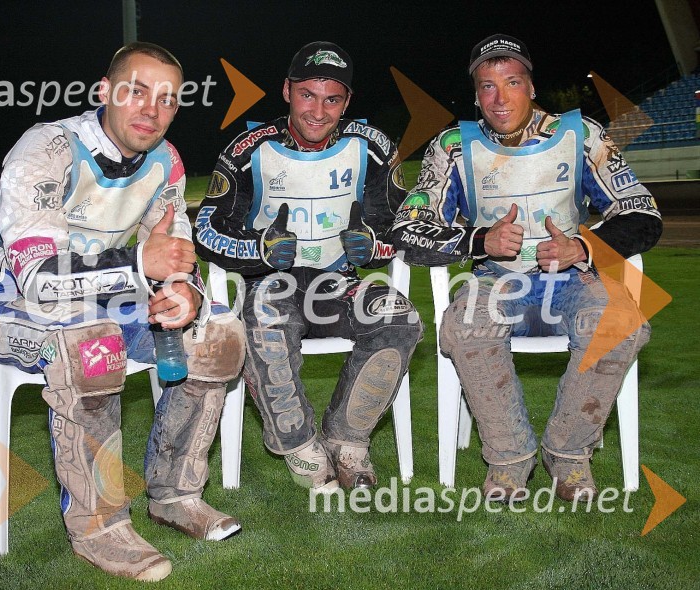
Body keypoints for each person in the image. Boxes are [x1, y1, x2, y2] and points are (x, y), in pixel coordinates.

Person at [0, 42, 245, 582]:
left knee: (219, 334)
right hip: (12, 305)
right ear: (105, 91)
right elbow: (38, 276)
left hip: (109, 298)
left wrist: (183, 289)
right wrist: (140, 264)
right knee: (90, 340)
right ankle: (99, 526)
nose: (152, 110)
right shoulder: (48, 147)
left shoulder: (165, 162)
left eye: (168, 99)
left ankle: (176, 494)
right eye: (136, 91)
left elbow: (175, 249)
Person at [393, 34, 662, 502]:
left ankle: (569, 455)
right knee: (464, 325)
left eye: (511, 82)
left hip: (574, 279)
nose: (500, 98)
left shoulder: (582, 135)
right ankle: (509, 459)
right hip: (497, 281)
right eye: (487, 87)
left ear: (531, 86)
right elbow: (409, 230)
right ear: (476, 94)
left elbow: (642, 212)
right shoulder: (453, 147)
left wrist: (584, 246)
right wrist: (480, 240)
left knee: (622, 323)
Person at [194, 41, 422, 492]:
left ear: (347, 102)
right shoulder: (248, 148)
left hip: (340, 286)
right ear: (287, 91)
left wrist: (371, 246)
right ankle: (300, 446)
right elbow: (206, 228)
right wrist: (259, 250)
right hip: (273, 287)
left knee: (401, 318)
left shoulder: (373, 147)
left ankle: (347, 440)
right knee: (262, 319)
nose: (318, 111)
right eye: (307, 95)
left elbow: (403, 227)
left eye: (332, 98)